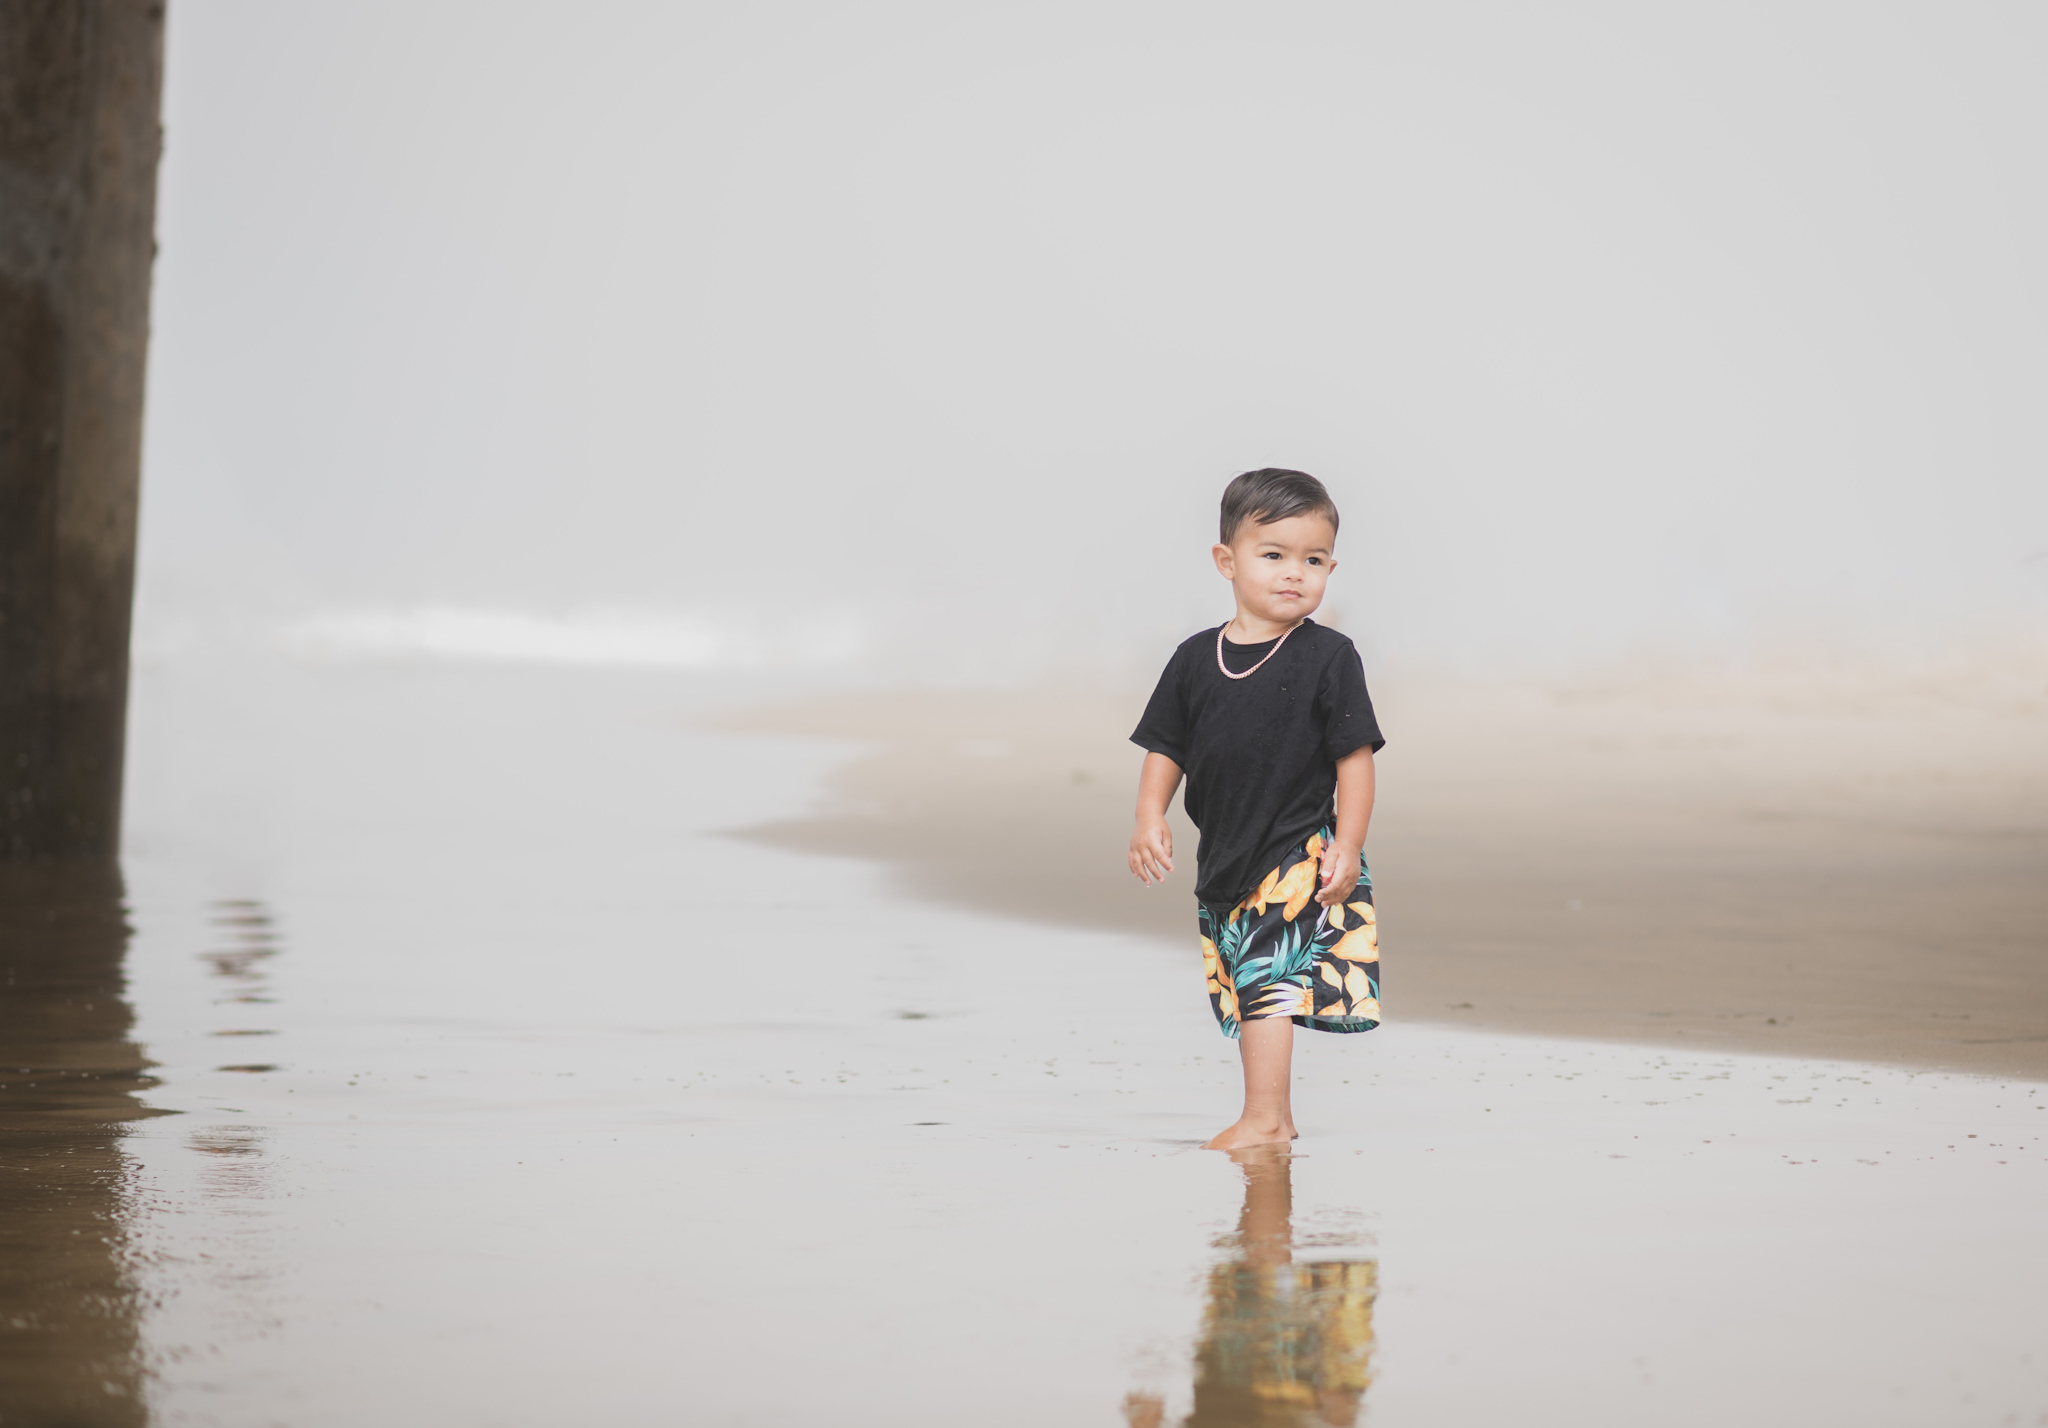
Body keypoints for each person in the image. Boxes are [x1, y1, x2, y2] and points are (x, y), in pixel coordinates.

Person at [1128, 468, 1384, 1151]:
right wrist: (1150, 816)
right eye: (1273, 555)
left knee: (1266, 980)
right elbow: (1166, 746)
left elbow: (1355, 759)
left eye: (1314, 560)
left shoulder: (1329, 657)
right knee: (1243, 983)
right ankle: (1277, 1119)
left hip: (1298, 848)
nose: (1294, 573)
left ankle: (1264, 1117)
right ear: (1228, 561)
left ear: (1331, 568)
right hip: (1227, 853)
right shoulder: (1195, 659)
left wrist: (1348, 844)